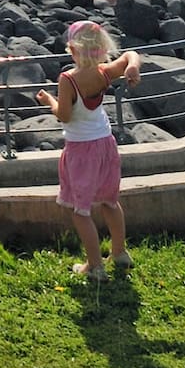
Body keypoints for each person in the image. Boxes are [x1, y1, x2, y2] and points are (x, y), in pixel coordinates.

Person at [36, 22, 141, 280]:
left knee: (81, 212)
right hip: (106, 144)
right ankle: (119, 252)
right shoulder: (104, 72)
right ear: (102, 48)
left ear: (73, 50)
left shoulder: (68, 80)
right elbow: (131, 55)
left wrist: (48, 100)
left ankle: (94, 266)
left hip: (82, 151)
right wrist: (132, 66)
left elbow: (65, 116)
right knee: (110, 201)